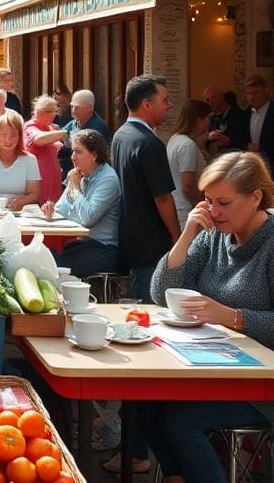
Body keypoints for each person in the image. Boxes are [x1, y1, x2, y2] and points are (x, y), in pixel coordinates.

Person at [137, 152, 274, 483]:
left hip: (263, 384)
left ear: (256, 197)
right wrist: (187, 234)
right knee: (142, 401)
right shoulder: (213, 232)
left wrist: (232, 316)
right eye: (208, 200)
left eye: (223, 202)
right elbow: (161, 293)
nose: (213, 211)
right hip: (213, 366)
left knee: (179, 420)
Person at [111, 74, 181, 303]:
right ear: (147, 105)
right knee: (152, 306)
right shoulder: (149, 143)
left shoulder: (121, 135)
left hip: (130, 234)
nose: (169, 106)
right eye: (165, 100)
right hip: (151, 240)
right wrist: (176, 236)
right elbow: (162, 198)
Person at [44, 129, 121, 276]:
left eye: (78, 152)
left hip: (104, 250)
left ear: (94, 155)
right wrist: (50, 210)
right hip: (85, 244)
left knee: (51, 266)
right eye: (72, 151)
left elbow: (87, 218)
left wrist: (74, 188)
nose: (72, 157)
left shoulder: (108, 179)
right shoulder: (79, 174)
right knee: (43, 257)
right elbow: (61, 210)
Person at [167, 99, 211, 226]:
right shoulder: (187, 145)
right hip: (187, 211)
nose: (209, 122)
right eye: (207, 118)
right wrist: (206, 203)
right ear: (197, 121)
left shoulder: (175, 139)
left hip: (178, 208)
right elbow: (188, 186)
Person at [23, 95, 67, 205]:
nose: (54, 114)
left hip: (54, 184)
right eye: (50, 111)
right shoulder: (30, 126)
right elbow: (39, 139)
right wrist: (66, 133)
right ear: (38, 112)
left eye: (55, 110)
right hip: (39, 185)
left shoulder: (50, 127)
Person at [58, 89, 110, 177]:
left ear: (89, 108)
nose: (73, 111)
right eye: (72, 107)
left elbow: (94, 158)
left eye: (77, 108)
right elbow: (61, 136)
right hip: (74, 171)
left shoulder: (98, 127)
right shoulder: (74, 123)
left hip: (92, 174)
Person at [203, 85, 248, 155]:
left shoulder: (239, 115)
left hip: (234, 157)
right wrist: (209, 137)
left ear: (222, 97)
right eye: (208, 100)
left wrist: (229, 141)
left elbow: (247, 141)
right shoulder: (210, 118)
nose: (210, 103)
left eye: (213, 98)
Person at [244, 74, 274, 170]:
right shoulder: (245, 113)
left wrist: (262, 148)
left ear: (266, 90)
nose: (251, 97)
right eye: (248, 93)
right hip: (252, 167)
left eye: (256, 92)